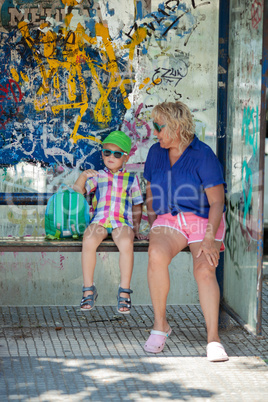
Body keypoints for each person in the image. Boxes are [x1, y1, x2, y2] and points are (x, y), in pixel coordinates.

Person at [143, 101, 228, 362]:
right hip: (169, 218)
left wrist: (210, 238)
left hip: (204, 220)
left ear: (177, 126)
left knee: (204, 269)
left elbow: (217, 202)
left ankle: (213, 338)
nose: (155, 133)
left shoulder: (203, 154)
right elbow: (149, 191)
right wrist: (152, 220)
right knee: (156, 254)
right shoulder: (156, 152)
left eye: (159, 127)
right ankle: (160, 325)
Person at [74, 130, 146, 314]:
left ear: (126, 157)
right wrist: (83, 177)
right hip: (100, 220)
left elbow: (138, 205)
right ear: (102, 154)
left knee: (125, 242)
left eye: (117, 153)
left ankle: (124, 291)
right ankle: (88, 288)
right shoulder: (97, 176)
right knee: (89, 239)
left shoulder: (132, 179)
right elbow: (78, 192)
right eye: (107, 152)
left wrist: (136, 229)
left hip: (121, 222)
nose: (111, 157)